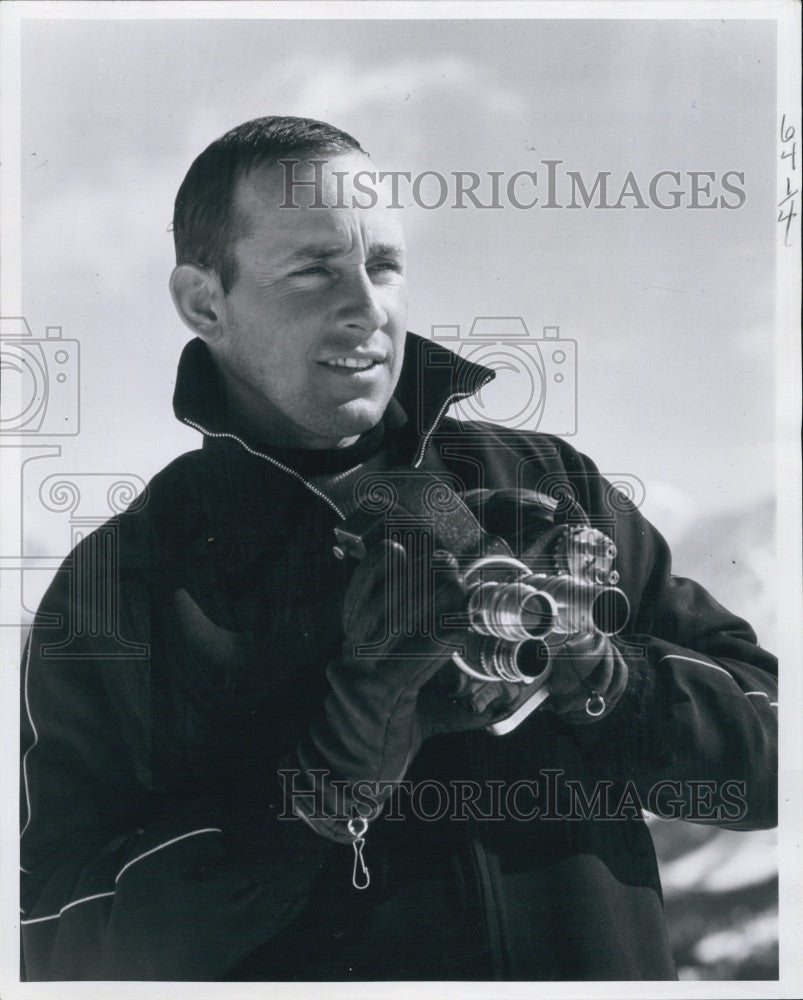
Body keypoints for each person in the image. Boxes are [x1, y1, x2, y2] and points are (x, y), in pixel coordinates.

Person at [20, 116, 777, 982]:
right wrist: (320, 791)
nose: (367, 308)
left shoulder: (547, 481)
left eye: (383, 265)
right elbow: (57, 945)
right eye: (314, 269)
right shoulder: (128, 583)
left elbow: (771, 766)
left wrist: (604, 680)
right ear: (204, 301)